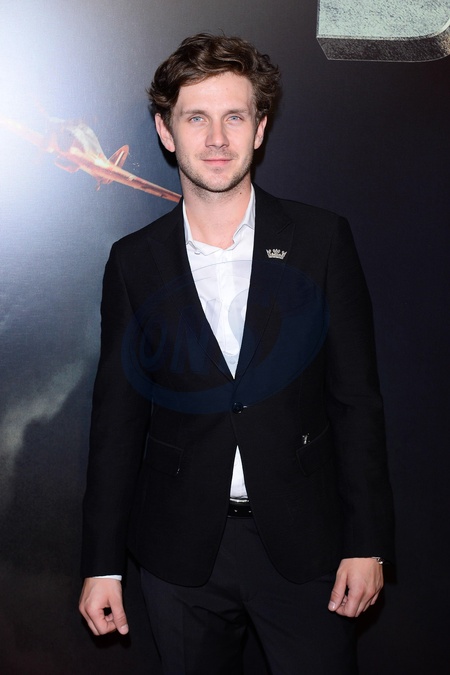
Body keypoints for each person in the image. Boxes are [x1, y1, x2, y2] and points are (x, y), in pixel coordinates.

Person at [79, 33, 394, 674]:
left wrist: (368, 542)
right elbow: (117, 423)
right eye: (196, 117)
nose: (217, 138)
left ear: (260, 128)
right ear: (167, 131)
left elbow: (356, 402)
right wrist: (102, 565)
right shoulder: (134, 262)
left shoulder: (321, 240)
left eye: (235, 117)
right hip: (179, 552)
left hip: (308, 547)